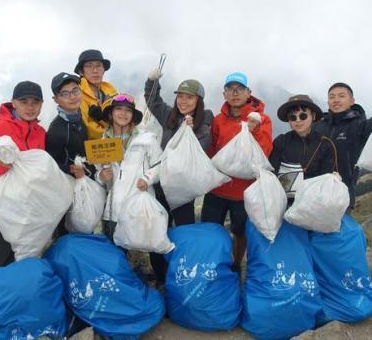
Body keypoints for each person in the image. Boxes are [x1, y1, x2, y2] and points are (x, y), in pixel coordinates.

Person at [143, 67, 214, 284]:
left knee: (184, 232)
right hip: (163, 184)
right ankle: (163, 276)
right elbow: (152, 99)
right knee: (159, 231)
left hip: (184, 189)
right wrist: (151, 80)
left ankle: (183, 275)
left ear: (198, 100)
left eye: (189, 97)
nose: (183, 101)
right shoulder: (169, 116)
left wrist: (189, 132)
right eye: (180, 96)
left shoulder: (205, 120)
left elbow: (201, 148)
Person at [202, 72, 273, 272]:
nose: (235, 93)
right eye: (230, 89)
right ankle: (212, 264)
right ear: (224, 94)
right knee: (211, 229)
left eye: (240, 89)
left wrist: (255, 130)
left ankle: (235, 265)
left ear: (248, 92)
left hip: (244, 192)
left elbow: (265, 151)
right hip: (217, 187)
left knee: (240, 232)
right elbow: (212, 150)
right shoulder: (218, 120)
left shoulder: (262, 120)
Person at [0, 81, 46, 271]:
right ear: (13, 103)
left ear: (42, 104)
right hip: (4, 205)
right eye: (24, 102)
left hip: (32, 205)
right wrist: (1, 166)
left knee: (28, 256)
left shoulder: (40, 133)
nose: (30, 107)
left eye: (35, 102)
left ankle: (20, 296)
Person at [313, 82, 372, 211]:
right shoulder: (318, 125)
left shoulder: (358, 126)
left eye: (341, 96)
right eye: (332, 97)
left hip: (342, 199)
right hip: (312, 194)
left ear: (352, 101)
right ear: (328, 102)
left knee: (339, 231)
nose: (336, 100)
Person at [94, 94, 163, 240]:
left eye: (128, 111)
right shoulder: (102, 142)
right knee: (115, 255)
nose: (123, 114)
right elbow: (98, 171)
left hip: (141, 207)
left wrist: (147, 179)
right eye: (118, 109)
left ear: (133, 116)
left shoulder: (147, 139)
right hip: (113, 211)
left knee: (151, 246)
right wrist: (101, 177)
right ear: (111, 114)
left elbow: (160, 165)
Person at [45, 72, 95, 238]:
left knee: (85, 226)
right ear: (56, 99)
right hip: (64, 194)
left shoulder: (79, 118)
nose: (72, 97)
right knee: (67, 234)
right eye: (65, 94)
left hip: (81, 188)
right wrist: (70, 169)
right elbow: (50, 164)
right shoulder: (57, 129)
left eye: (75, 91)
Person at [269, 95, 337, 205]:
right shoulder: (280, 142)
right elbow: (272, 173)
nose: (298, 121)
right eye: (293, 117)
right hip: (282, 203)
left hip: (314, 203)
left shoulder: (325, 144)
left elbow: (326, 179)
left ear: (313, 116)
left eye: (303, 116)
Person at [74, 49, 118, 140]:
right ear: (81, 72)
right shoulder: (77, 94)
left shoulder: (111, 91)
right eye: (89, 66)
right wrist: (115, 131)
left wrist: (100, 119)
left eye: (99, 66)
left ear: (103, 70)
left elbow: (121, 119)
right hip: (88, 149)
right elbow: (90, 130)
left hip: (114, 145)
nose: (95, 70)